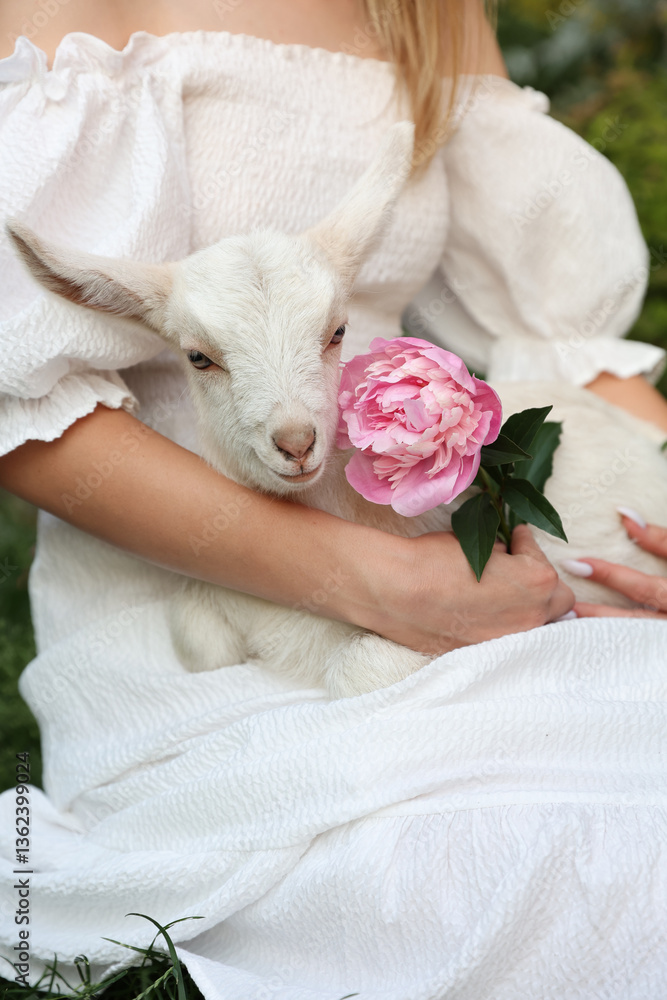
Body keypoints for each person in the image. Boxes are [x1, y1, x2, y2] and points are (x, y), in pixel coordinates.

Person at [0, 2, 665, 998]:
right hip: (190, 621)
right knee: (528, 859)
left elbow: (564, 340)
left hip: (444, 569)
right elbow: (23, 398)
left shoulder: (427, 10)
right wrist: (387, 585)